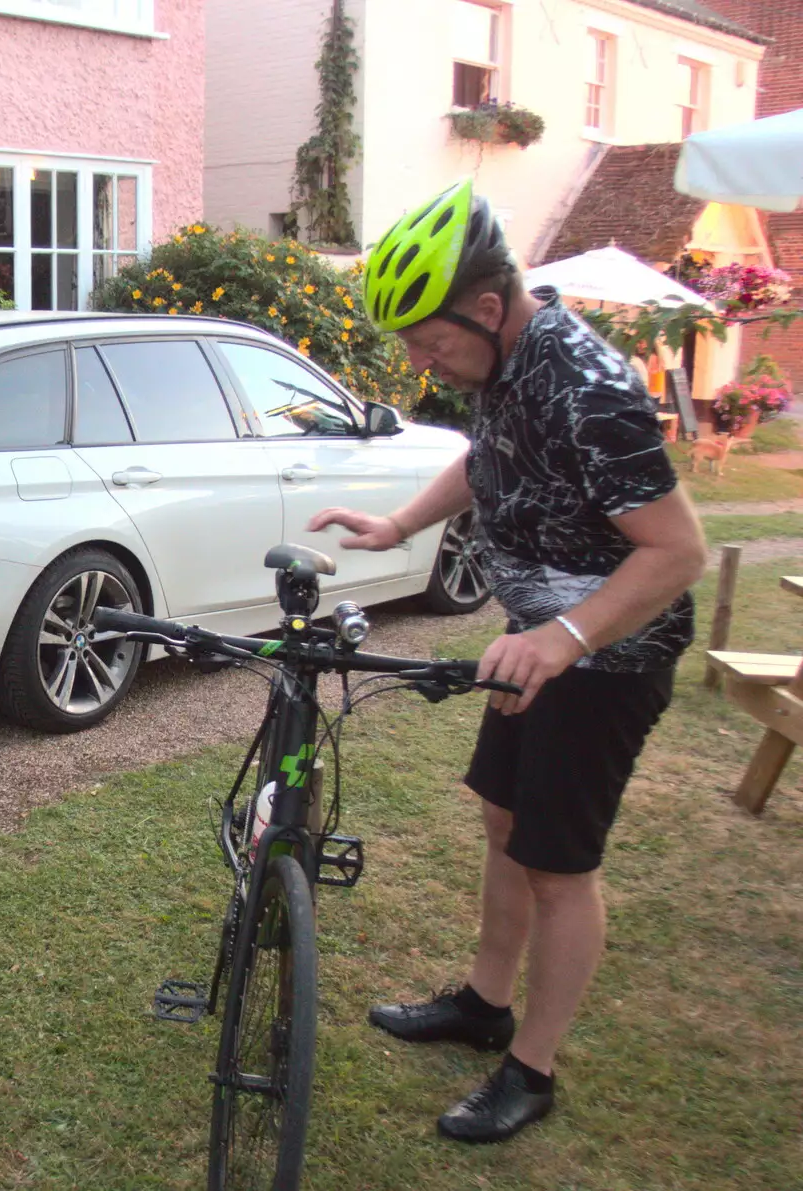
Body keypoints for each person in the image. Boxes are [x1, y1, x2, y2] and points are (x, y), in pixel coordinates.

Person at [309, 179, 706, 1144]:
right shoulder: (505, 370)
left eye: (431, 341)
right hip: (534, 649)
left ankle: (532, 1067)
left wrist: (561, 637)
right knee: (505, 823)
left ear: (489, 308)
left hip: (605, 659)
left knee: (558, 865)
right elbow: (488, 457)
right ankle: (485, 1004)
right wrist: (400, 521)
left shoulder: (592, 389)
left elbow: (678, 551)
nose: (420, 363)